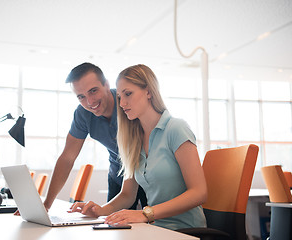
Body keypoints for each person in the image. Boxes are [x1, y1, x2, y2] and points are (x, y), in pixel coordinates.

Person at [69, 64, 207, 230]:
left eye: (128, 94)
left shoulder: (176, 128)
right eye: (119, 97)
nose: (122, 103)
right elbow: (127, 195)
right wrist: (100, 210)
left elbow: (199, 192)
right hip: (155, 229)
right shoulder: (133, 140)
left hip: (185, 230)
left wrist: (144, 214)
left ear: (148, 92)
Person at [42, 62, 147, 211]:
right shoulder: (83, 114)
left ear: (106, 84)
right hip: (118, 176)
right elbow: (67, 158)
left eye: (93, 91)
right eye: (81, 97)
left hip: (147, 175)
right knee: (113, 226)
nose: (90, 102)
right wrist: (46, 205)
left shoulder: (127, 103)